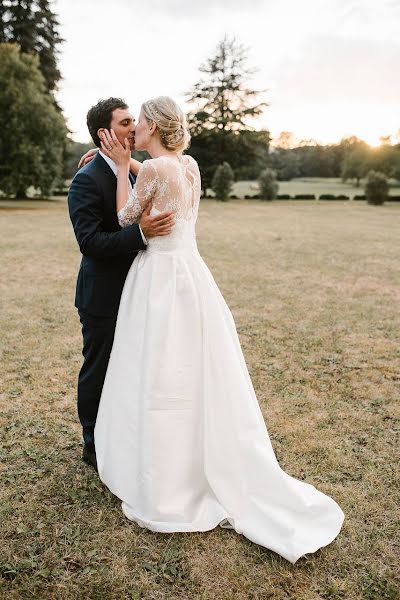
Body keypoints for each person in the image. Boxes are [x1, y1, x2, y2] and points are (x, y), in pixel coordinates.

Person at [87, 96, 344, 564]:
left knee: (158, 367)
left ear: (156, 127)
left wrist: (123, 167)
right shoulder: (189, 166)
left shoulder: (151, 171)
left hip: (159, 277)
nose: (135, 130)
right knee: (194, 367)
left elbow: (126, 221)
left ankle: (165, 473)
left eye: (139, 123)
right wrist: (126, 166)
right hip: (192, 273)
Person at [67, 97, 175, 471]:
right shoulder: (85, 180)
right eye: (126, 122)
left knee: (130, 367)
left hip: (139, 289)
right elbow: (91, 242)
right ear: (105, 132)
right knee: (98, 369)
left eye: (134, 122)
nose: (134, 127)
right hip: (104, 295)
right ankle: (93, 445)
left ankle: (123, 436)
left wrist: (118, 159)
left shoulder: (135, 170)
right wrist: (139, 235)